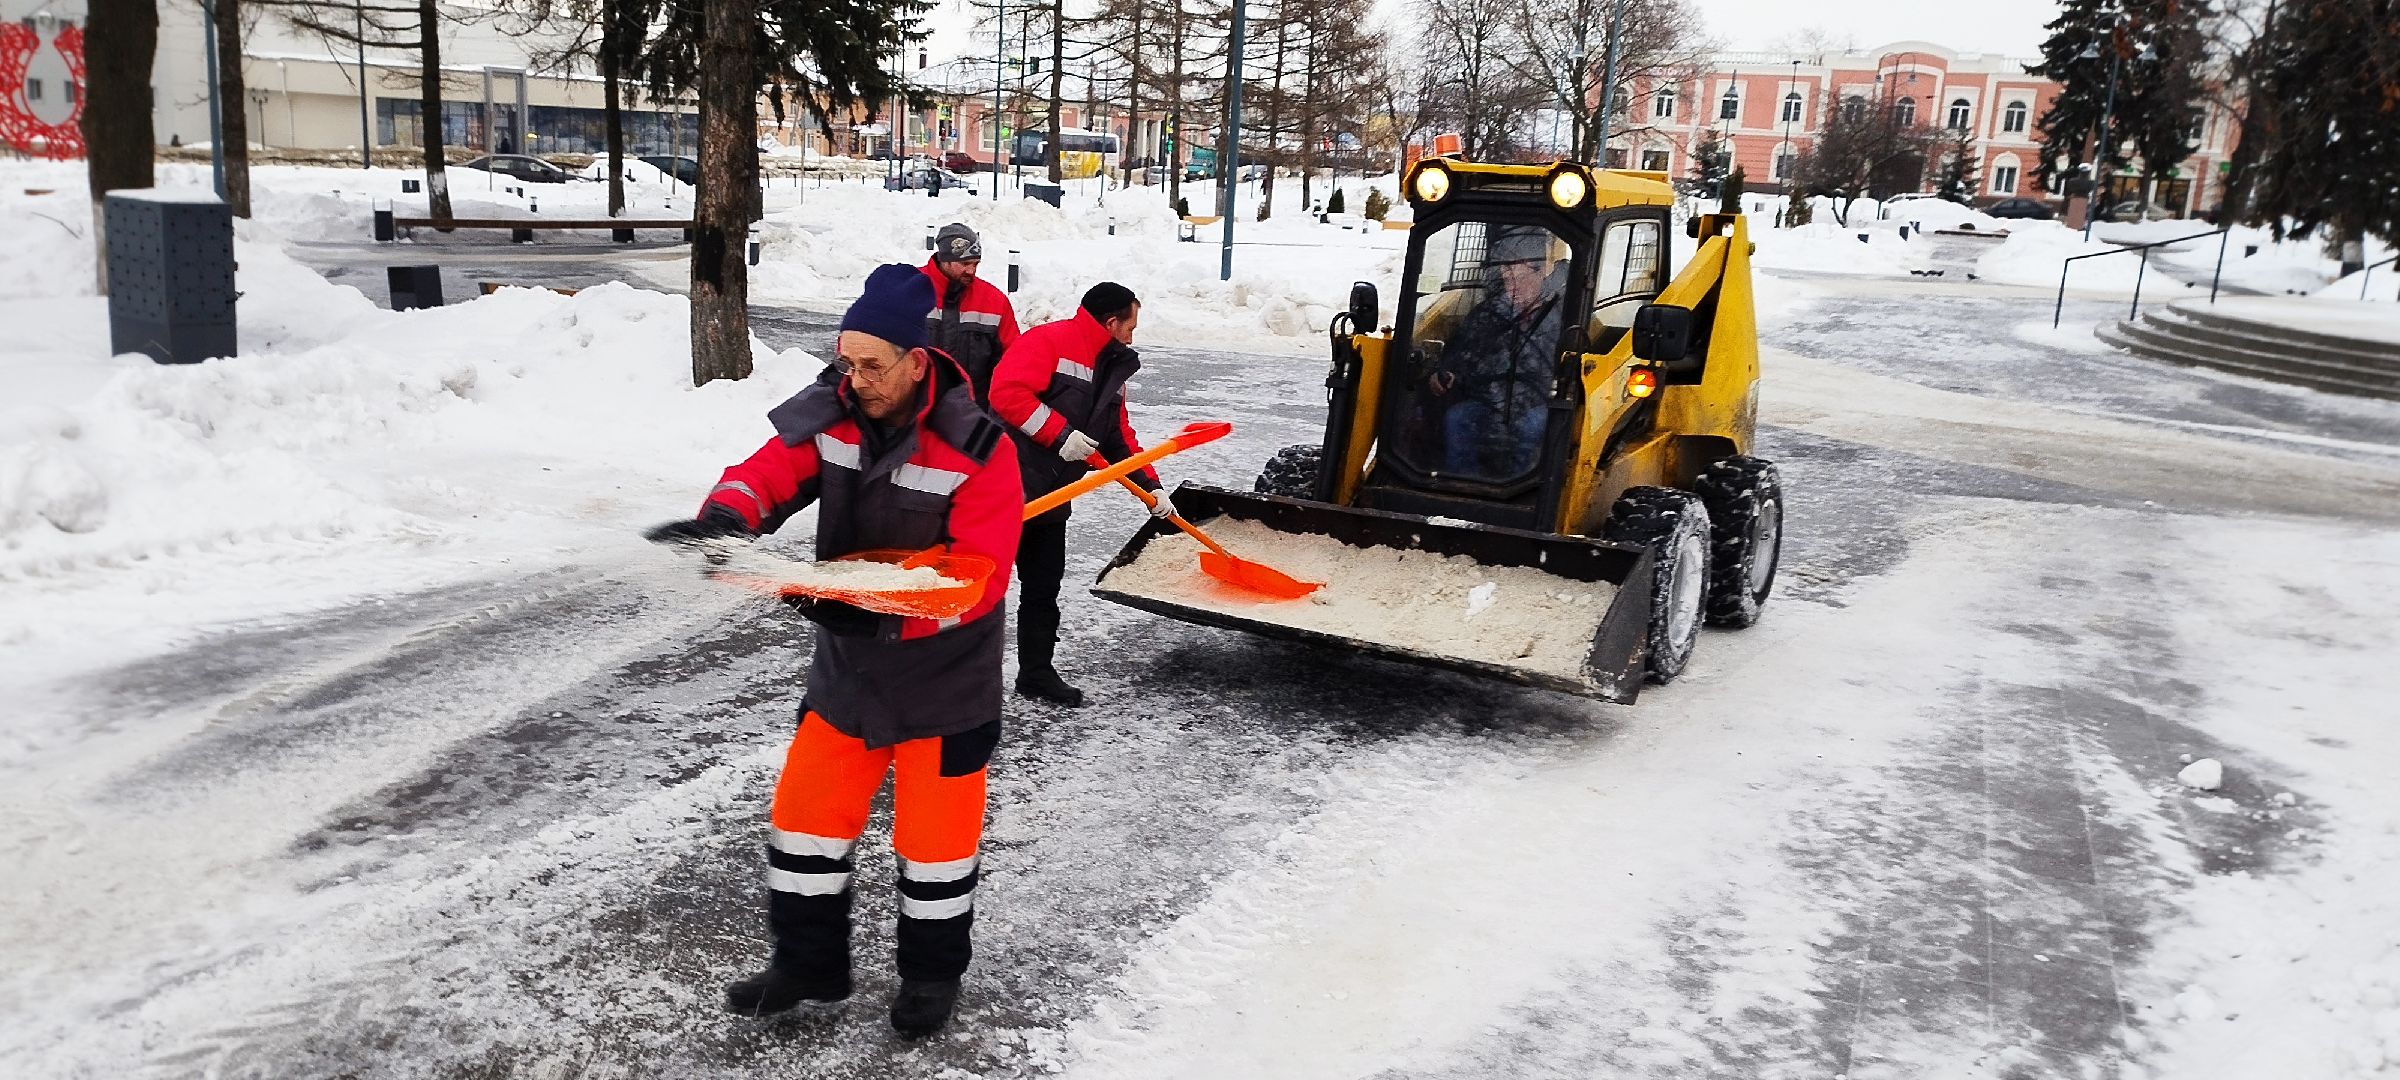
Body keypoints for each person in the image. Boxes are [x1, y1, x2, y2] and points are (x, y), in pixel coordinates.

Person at [645, 263, 1022, 1040]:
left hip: (944, 682)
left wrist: (871, 610)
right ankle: (809, 966)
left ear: (918, 361)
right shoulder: (836, 415)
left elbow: (973, 584)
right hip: (849, 678)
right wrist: (725, 519)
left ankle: (930, 978)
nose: (854, 379)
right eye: (845, 361)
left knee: (935, 851)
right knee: (806, 822)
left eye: (871, 365)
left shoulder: (981, 451)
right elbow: (769, 472)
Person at [987, 282, 1175, 707]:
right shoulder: (1048, 341)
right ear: (1111, 323)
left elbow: (1117, 438)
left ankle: (1036, 673)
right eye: (1130, 326)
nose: (1132, 336)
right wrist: (1060, 436)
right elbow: (1006, 393)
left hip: (1052, 495)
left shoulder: (1113, 367)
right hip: (1001, 491)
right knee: (980, 590)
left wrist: (1152, 488)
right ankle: (953, 677)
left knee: (1042, 588)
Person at [1428, 226, 1566, 477]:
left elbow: (1562, 366)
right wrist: (1444, 371)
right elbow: (1462, 350)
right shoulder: (1489, 314)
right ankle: (1464, 488)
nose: (1513, 287)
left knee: (1534, 427)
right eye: (1507, 279)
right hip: (1491, 401)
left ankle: (1523, 494)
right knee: (1457, 418)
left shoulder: (1558, 318)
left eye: (1521, 279)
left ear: (1540, 275)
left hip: (1537, 402)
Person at [920, 223, 1021, 401]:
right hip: (916, 412)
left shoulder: (995, 302)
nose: (971, 270)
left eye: (976, 263)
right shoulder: (910, 290)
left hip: (973, 413)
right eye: (965, 263)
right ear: (944, 259)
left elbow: (1013, 362)